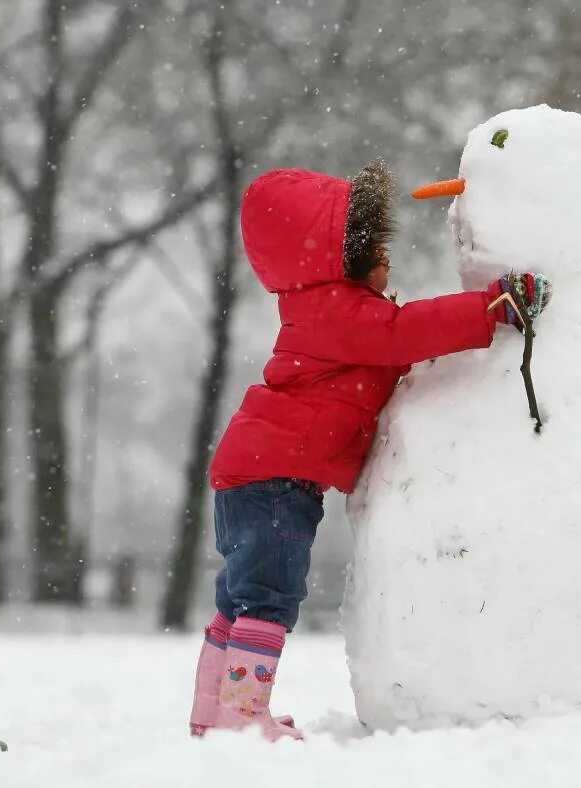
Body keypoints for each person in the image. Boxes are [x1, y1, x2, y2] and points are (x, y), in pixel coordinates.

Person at [187, 160, 551, 740]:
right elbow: (403, 333)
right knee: (269, 595)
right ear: (341, 260)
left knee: (239, 595)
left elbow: (391, 337)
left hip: (255, 471)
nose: (388, 260)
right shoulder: (339, 312)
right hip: (276, 477)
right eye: (374, 251)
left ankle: (217, 709)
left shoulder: (322, 310)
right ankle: (241, 714)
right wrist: (492, 306)